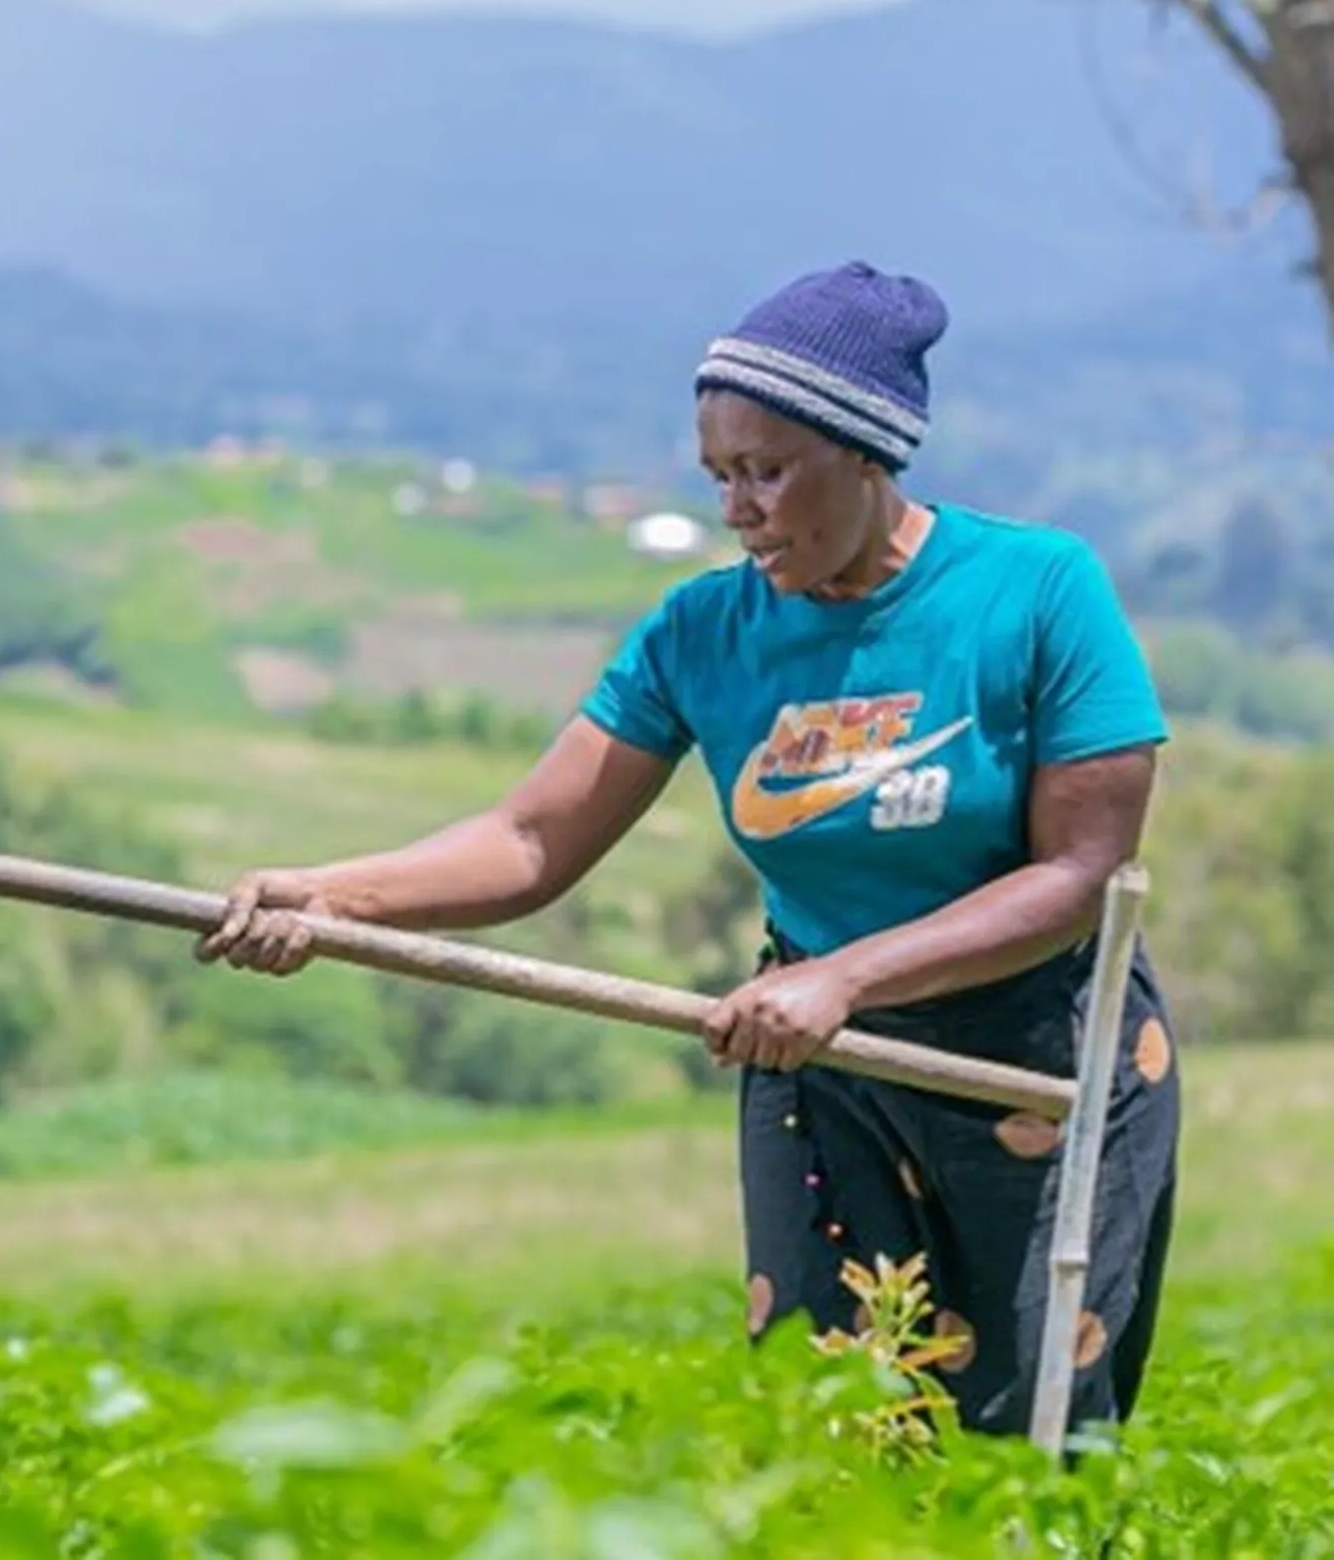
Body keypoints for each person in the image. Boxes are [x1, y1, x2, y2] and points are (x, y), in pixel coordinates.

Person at [196, 260, 1181, 1439]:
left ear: (867, 451)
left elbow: (1077, 878)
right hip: (817, 1061)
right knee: (828, 1428)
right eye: (721, 475)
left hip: (1036, 1057)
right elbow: (529, 839)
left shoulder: (1035, 591)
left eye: (769, 470)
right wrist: (334, 898)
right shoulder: (703, 632)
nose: (739, 508)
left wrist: (849, 979)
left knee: (1031, 1440)